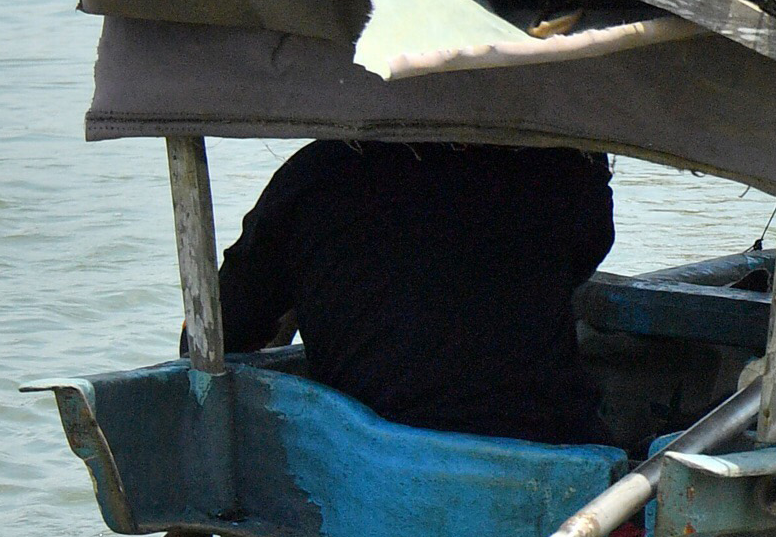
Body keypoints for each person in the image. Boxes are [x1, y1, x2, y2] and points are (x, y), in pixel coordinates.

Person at [212, 140, 615, 445]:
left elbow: (215, 333)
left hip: (366, 466)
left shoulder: (313, 173)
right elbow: (586, 254)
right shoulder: (561, 165)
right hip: (554, 451)